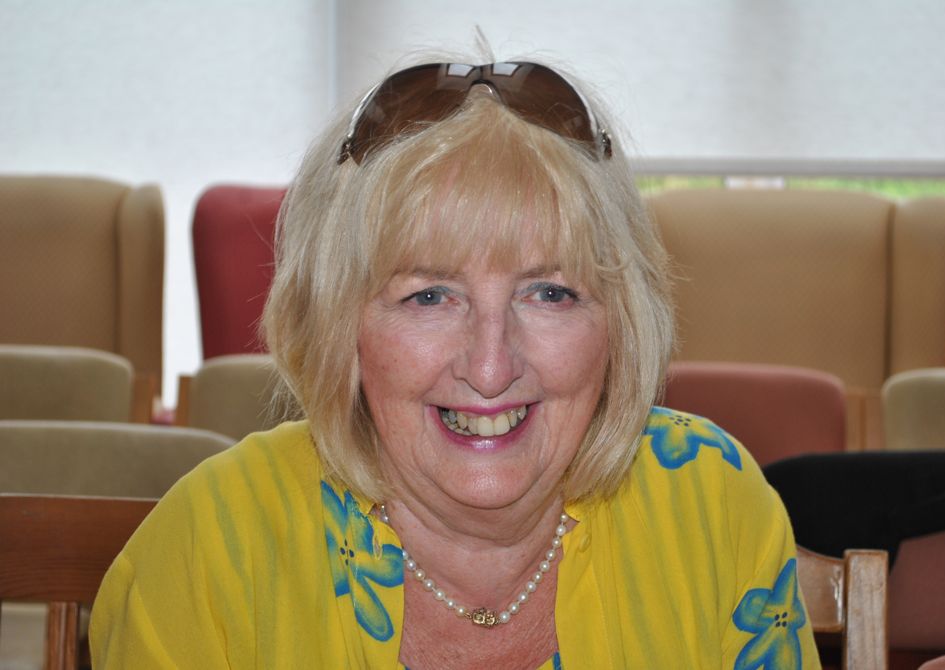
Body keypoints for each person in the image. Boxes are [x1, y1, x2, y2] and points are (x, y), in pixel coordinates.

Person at [90, 56, 820, 669]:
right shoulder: (213, 543)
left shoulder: (710, 504)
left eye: (550, 292)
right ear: (339, 325)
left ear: (621, 325)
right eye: (430, 295)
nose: (492, 367)